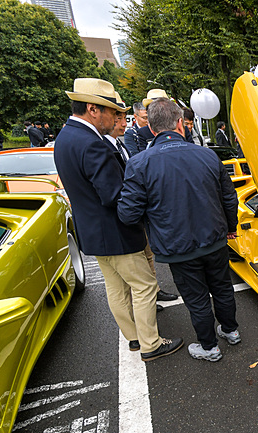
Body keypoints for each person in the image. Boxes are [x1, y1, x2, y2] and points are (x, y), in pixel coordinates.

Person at [54, 77, 183, 362]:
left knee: (116, 289)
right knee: (145, 286)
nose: (116, 118)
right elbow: (114, 195)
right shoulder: (93, 144)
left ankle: (135, 338)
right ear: (92, 109)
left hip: (92, 232)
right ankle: (151, 343)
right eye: (112, 112)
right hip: (116, 231)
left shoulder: (65, 137)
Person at [118, 98, 240, 362]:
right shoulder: (207, 155)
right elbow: (229, 197)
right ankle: (230, 331)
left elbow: (128, 214)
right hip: (215, 238)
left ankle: (209, 347)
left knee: (196, 298)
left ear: (151, 128)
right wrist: (231, 227)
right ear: (179, 123)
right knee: (222, 287)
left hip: (176, 246)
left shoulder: (139, 164)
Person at [104, 93, 179, 305]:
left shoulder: (121, 144)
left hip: (141, 207)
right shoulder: (127, 140)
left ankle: (155, 291)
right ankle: (149, 299)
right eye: (119, 119)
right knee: (140, 266)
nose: (121, 123)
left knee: (148, 256)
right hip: (136, 207)